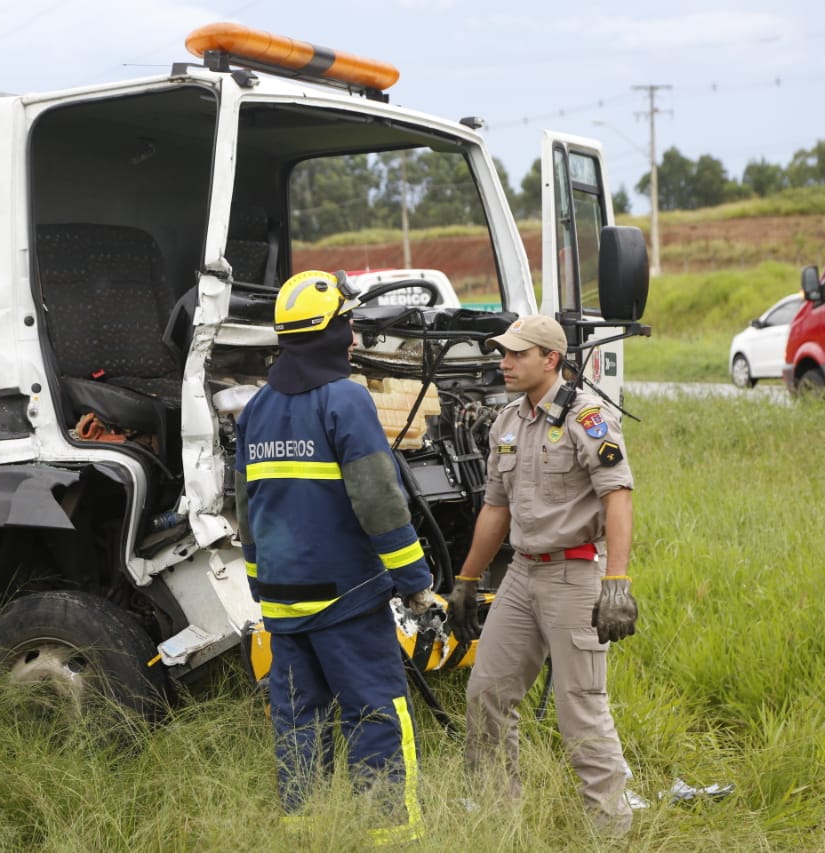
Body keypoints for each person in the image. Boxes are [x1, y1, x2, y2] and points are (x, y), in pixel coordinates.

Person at [234, 269, 436, 844]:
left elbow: (247, 507)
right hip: (345, 598)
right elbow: (378, 498)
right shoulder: (345, 400)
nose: (352, 338)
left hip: (282, 600)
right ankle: (390, 834)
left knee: (298, 722)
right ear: (330, 332)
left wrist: (259, 583)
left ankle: (307, 832)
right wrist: (414, 581)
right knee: (376, 712)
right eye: (347, 325)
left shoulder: (257, 409)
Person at [445, 314, 639, 835]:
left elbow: (617, 496)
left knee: (581, 710)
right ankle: (497, 821)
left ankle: (609, 833)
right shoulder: (507, 420)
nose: (503, 362)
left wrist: (616, 582)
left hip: (574, 577)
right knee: (486, 694)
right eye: (502, 353)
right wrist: (467, 580)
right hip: (521, 576)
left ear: (550, 359)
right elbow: (495, 508)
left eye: (516, 354)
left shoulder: (588, 417)